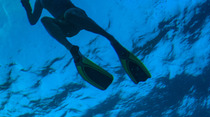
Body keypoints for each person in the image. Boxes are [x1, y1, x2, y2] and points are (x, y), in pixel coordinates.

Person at [21, 0, 151, 90]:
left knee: (69, 14)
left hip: (76, 15)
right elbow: (33, 20)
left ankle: (111, 39)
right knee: (45, 20)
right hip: (66, 27)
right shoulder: (39, 2)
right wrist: (27, 7)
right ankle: (72, 50)